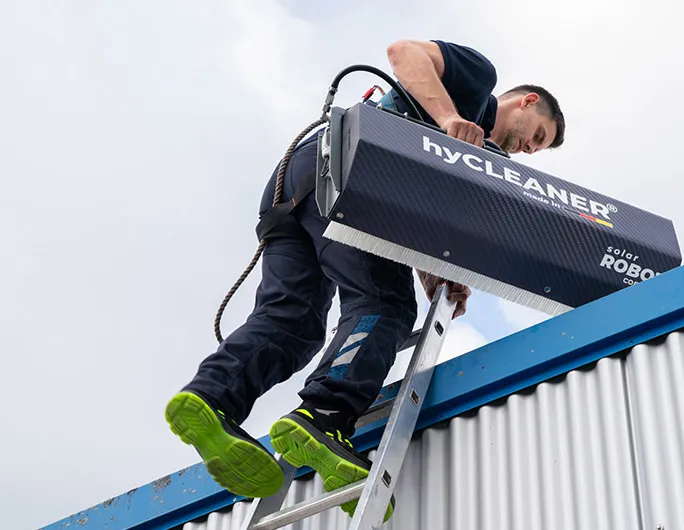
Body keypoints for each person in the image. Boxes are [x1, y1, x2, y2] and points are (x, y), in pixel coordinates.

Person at [164, 38, 566, 521]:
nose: (529, 148)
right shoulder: (478, 82)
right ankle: (324, 416)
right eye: (537, 134)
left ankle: (211, 397)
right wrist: (447, 119)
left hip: (298, 185)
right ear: (526, 102)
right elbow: (403, 52)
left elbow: (412, 217)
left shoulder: (472, 159)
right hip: (345, 169)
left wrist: (432, 273)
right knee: (384, 306)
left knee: (292, 321)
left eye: (537, 148)